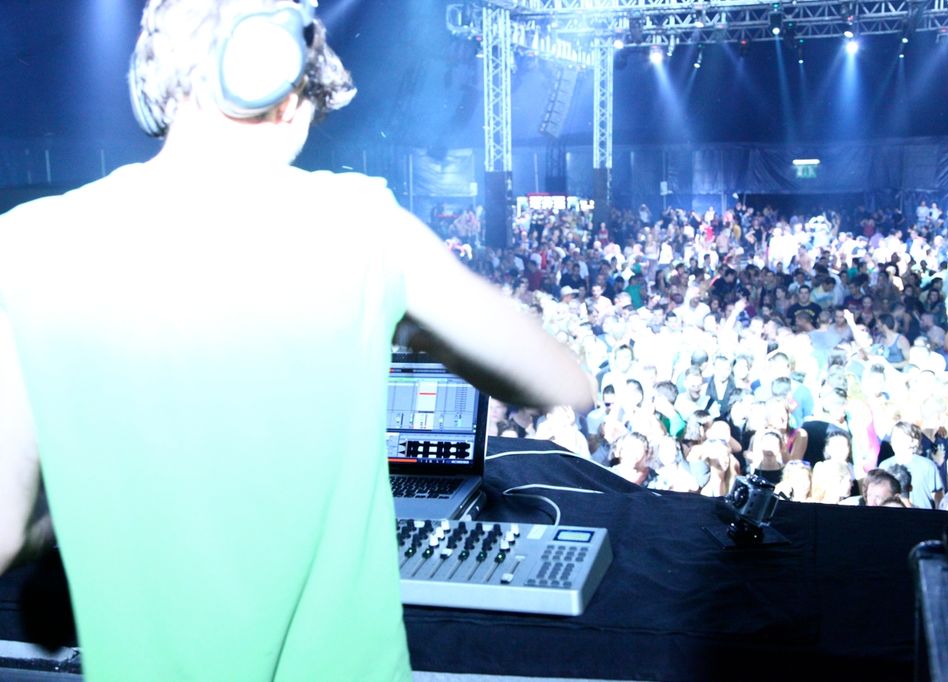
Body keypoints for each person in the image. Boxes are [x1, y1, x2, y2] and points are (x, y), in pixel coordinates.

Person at [0, 2, 592, 680]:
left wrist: (79, 507)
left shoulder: (24, 246)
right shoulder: (360, 223)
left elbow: (5, 532)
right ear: (281, 86)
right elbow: (563, 381)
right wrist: (433, 335)